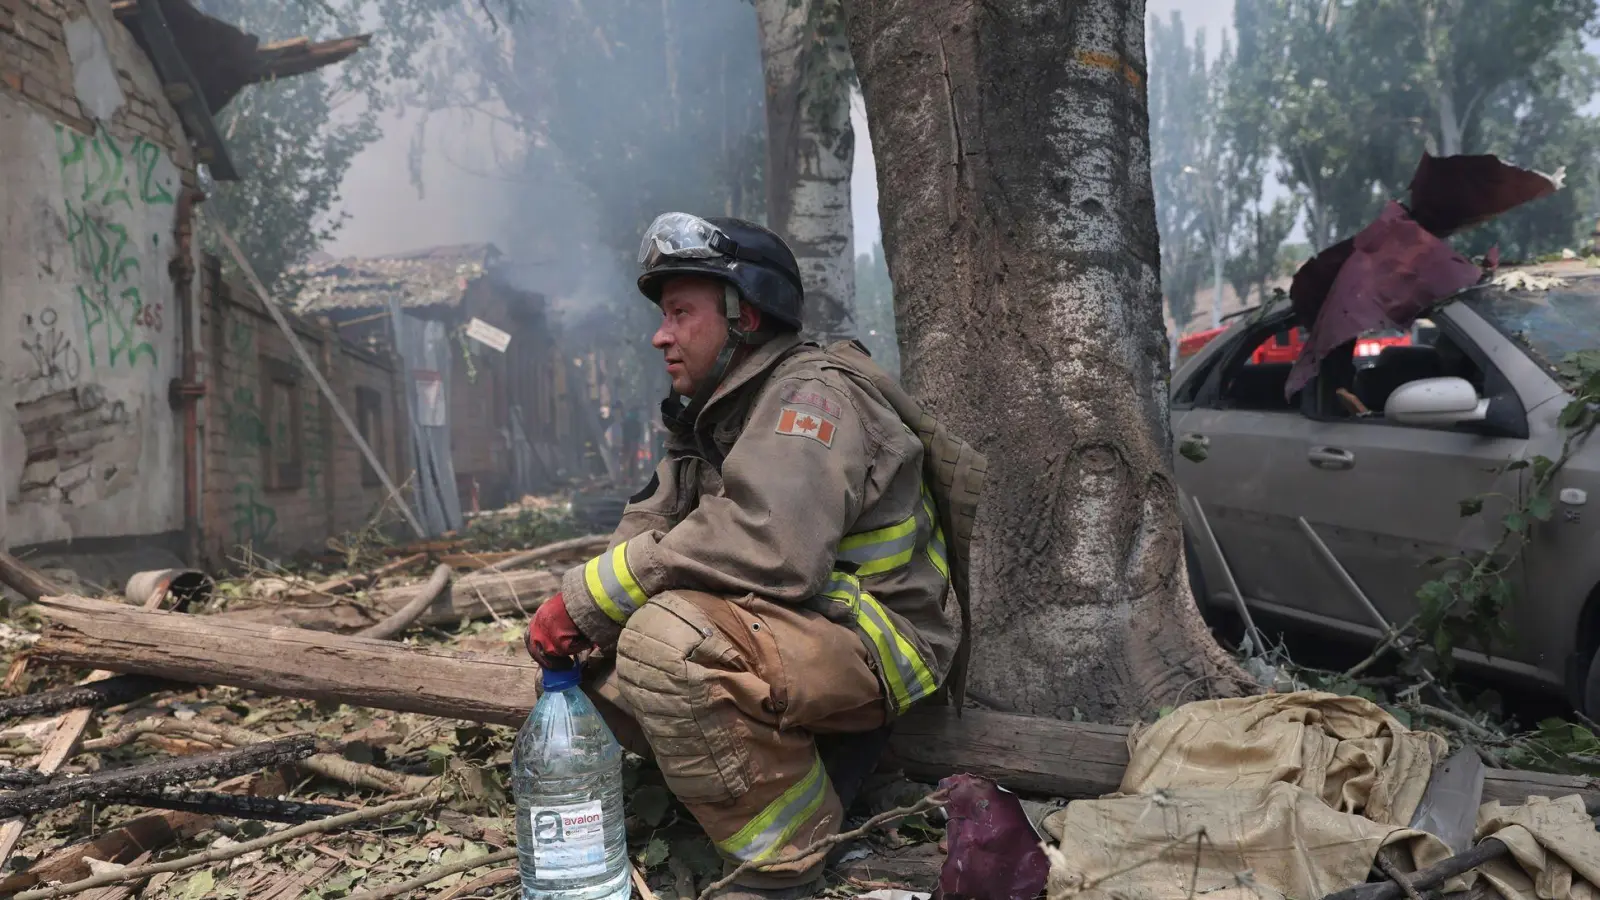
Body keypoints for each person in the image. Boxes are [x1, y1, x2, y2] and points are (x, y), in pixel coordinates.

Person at [526, 214, 982, 900]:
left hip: (879, 637)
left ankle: (787, 860)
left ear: (745, 314)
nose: (661, 335)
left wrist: (588, 600)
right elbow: (648, 534)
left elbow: (771, 545)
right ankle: (770, 785)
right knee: (590, 671)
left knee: (664, 644)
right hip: (796, 629)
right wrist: (587, 622)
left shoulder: (810, 397)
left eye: (682, 313)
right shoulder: (714, 416)